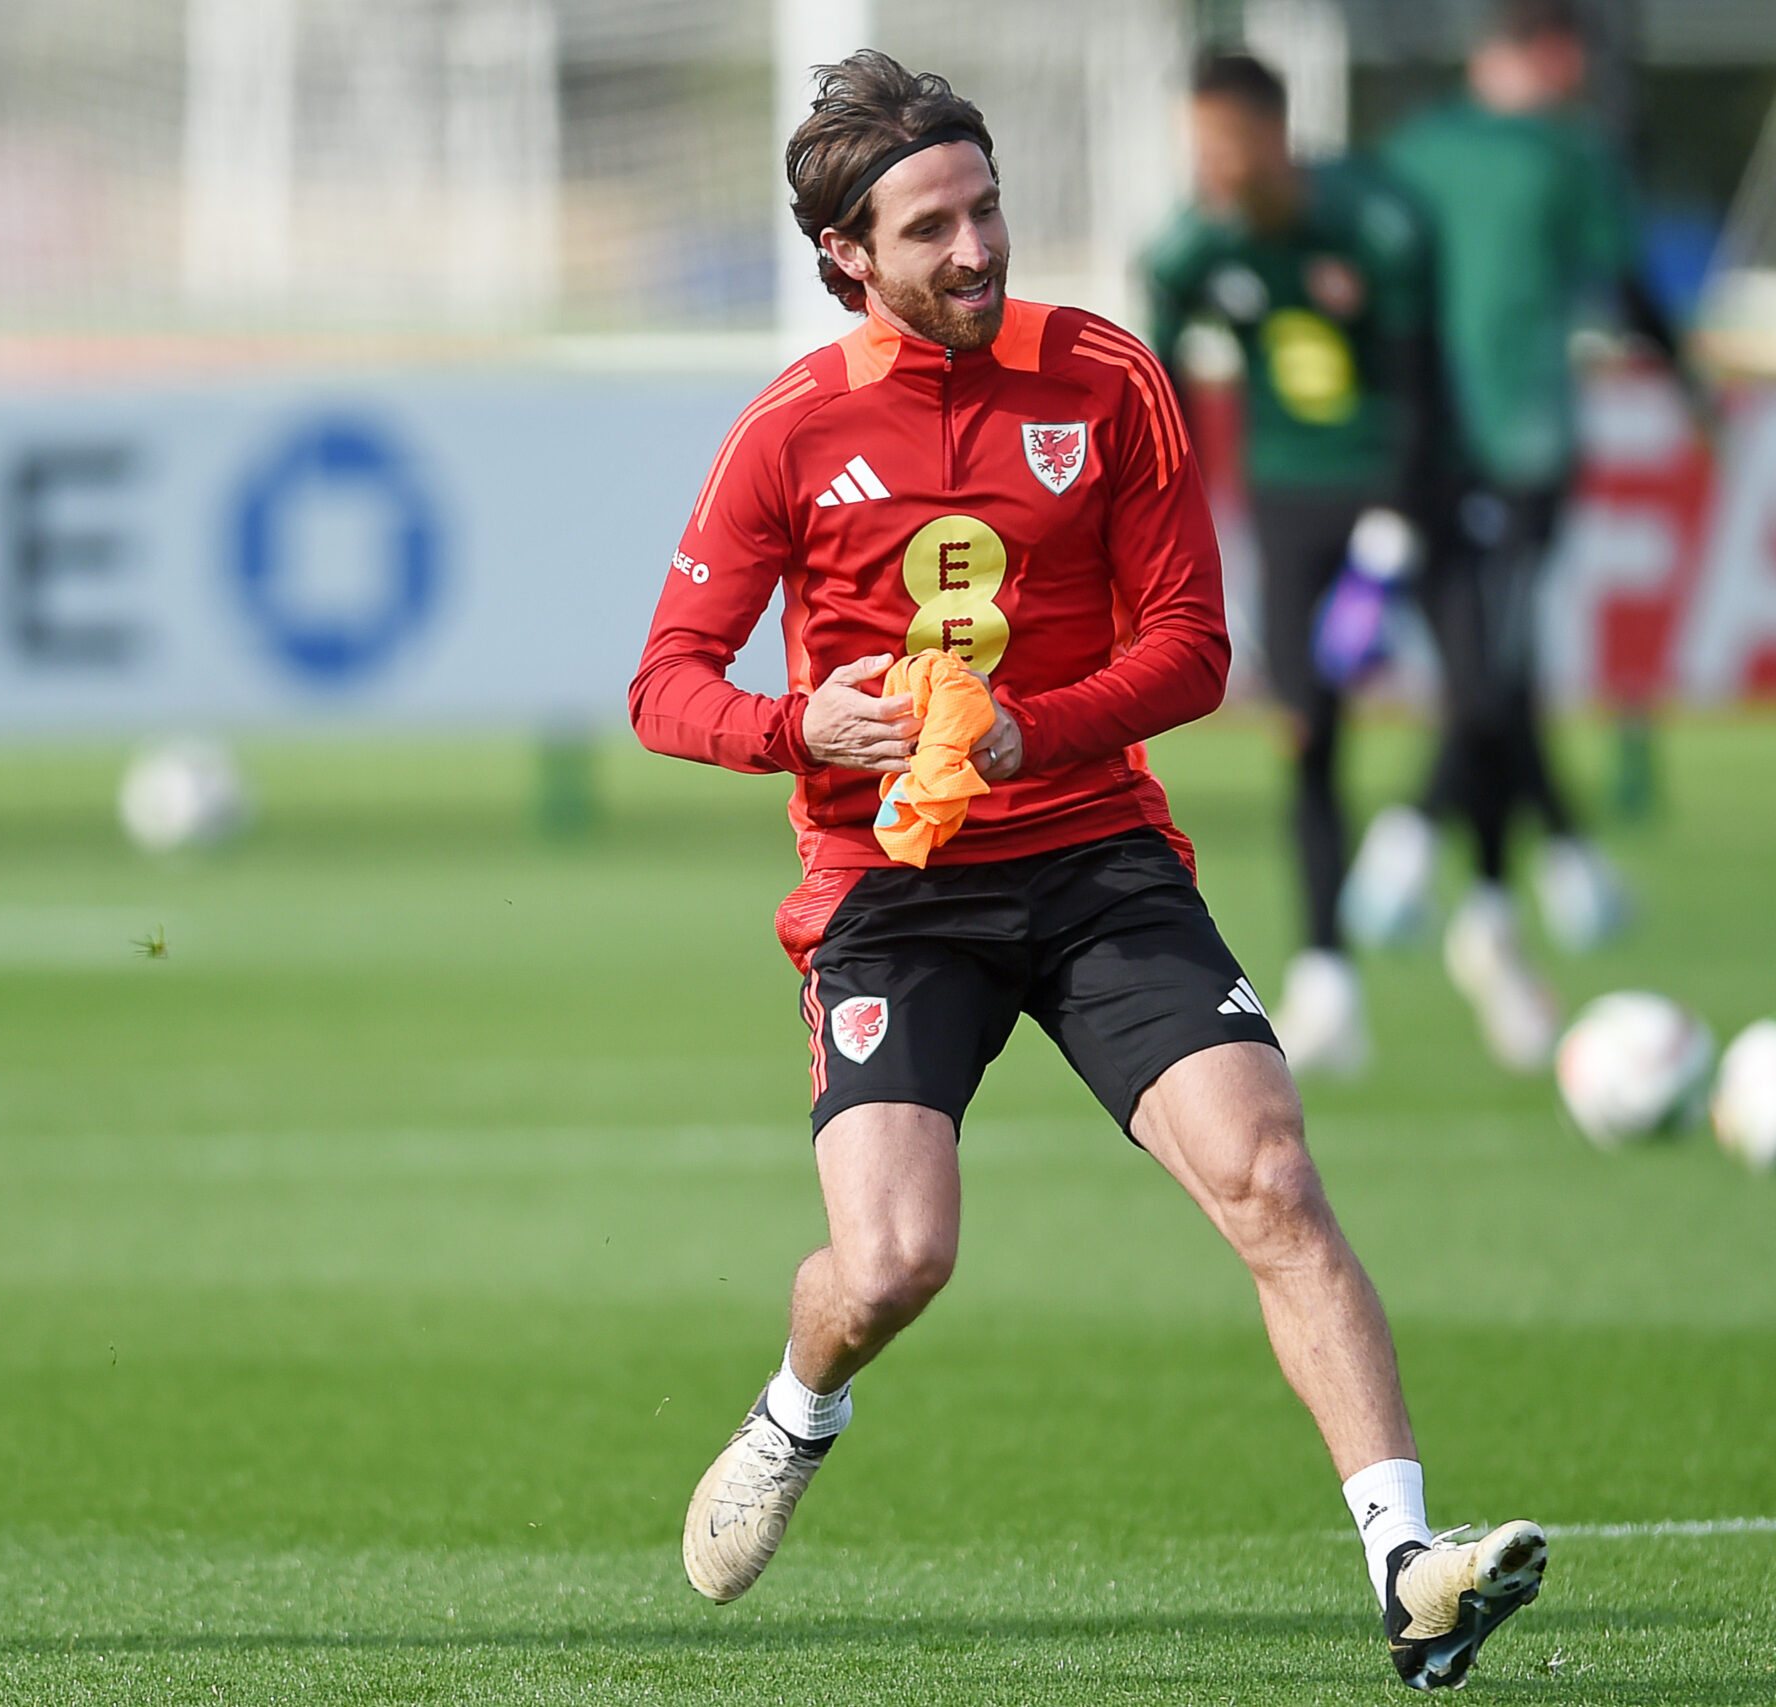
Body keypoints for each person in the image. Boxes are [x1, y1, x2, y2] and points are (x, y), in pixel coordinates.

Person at [629, 49, 1545, 1690]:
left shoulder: (1108, 376)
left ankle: (1408, 1561)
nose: (978, 250)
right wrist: (799, 727)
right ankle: (799, 1404)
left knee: (1270, 1173)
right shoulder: (791, 432)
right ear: (850, 255)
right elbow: (665, 683)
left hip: (1096, 858)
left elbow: (1196, 651)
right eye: (933, 229)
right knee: (897, 1261)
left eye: (987, 209)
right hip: (891, 891)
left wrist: (1023, 735)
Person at [1347, 0, 1705, 1071]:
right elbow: (1632, 287)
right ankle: (1422, 848)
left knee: (1494, 665)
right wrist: (1689, 384)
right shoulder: (1567, 155)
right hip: (1519, 446)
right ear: (1551, 52)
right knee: (1492, 668)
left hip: (1412, 450)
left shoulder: (1409, 155)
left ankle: (1514, 893)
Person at [1142, 52, 1435, 1079]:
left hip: (1408, 487)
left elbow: (1420, 373)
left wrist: (1400, 513)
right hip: (1291, 502)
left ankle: (1428, 843)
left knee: (1489, 693)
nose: (1209, 166)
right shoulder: (1188, 250)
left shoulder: (1374, 221)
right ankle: (1326, 974)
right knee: (1307, 728)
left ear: (1272, 134)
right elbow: (1160, 393)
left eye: (1223, 144)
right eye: (1197, 147)